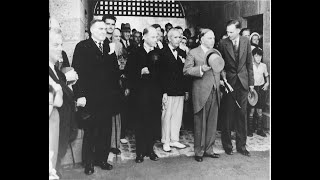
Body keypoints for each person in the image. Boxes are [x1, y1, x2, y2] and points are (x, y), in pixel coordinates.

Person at [72, 19, 121, 175]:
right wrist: (79, 95)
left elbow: (114, 72)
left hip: (107, 98)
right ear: (92, 30)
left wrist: (113, 55)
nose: (104, 31)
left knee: (105, 131)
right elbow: (76, 73)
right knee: (91, 130)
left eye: (105, 29)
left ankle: (102, 159)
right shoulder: (82, 46)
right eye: (100, 28)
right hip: (90, 97)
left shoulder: (108, 46)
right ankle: (89, 162)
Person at [183, 28, 222, 162]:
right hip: (200, 92)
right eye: (210, 38)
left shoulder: (216, 53)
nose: (213, 40)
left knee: (212, 122)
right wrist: (200, 69)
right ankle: (198, 152)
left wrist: (222, 80)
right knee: (200, 123)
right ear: (202, 39)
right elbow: (186, 70)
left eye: (214, 38)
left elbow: (219, 69)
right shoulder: (193, 53)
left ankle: (209, 149)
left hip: (215, 90)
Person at [219, 19, 254, 157]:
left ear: (239, 31)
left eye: (231, 32)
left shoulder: (246, 41)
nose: (229, 34)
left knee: (242, 114)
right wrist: (223, 80)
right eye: (227, 32)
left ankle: (241, 146)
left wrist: (251, 83)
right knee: (228, 115)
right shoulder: (223, 43)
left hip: (244, 84)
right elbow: (220, 64)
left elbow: (249, 64)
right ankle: (227, 145)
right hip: (230, 84)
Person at [126, 26, 161, 163]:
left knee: (152, 122)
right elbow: (128, 72)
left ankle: (150, 149)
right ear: (144, 37)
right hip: (140, 94)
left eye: (156, 36)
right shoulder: (135, 52)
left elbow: (163, 73)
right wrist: (139, 72)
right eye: (153, 37)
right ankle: (140, 152)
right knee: (140, 122)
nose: (155, 39)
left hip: (154, 93)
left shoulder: (159, 53)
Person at [49, 18, 77, 177]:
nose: (60, 49)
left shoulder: (55, 69)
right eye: (55, 45)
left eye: (61, 45)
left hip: (61, 133)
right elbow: (57, 100)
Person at [159, 28, 188, 152]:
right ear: (169, 38)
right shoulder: (162, 52)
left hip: (179, 90)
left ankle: (174, 139)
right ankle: (165, 140)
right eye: (175, 37)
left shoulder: (182, 52)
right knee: (166, 116)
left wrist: (186, 90)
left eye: (180, 37)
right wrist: (163, 92)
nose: (178, 39)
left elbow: (185, 73)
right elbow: (161, 75)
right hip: (168, 90)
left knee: (177, 116)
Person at [248, 48, 269, 137]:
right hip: (252, 89)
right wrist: (249, 88)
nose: (258, 58)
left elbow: (266, 76)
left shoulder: (263, 66)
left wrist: (267, 83)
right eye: (256, 56)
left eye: (260, 56)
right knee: (251, 110)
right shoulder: (250, 66)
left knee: (259, 110)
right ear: (253, 56)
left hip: (261, 88)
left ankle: (260, 130)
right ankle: (250, 130)